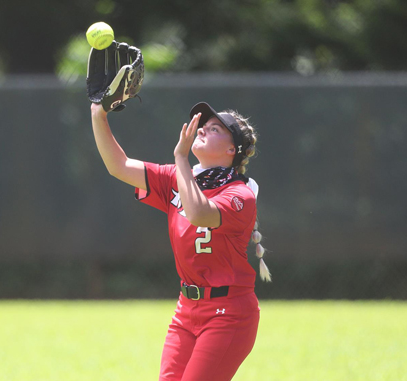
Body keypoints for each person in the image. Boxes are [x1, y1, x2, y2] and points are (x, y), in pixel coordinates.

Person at [90, 100, 271, 381]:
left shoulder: (240, 195)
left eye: (215, 129)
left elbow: (199, 213)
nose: (202, 130)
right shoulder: (179, 177)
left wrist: (181, 158)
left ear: (231, 150)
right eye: (204, 125)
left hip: (229, 313)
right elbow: (119, 165)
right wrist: (98, 115)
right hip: (186, 309)